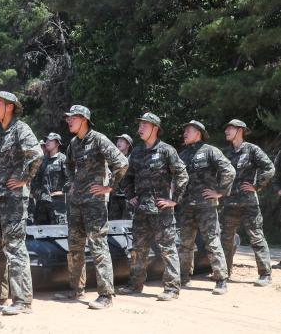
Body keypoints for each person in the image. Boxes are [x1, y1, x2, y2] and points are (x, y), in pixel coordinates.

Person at [0, 91, 42, 316]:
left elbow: (36, 154)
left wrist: (24, 178)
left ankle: (23, 301)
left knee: (14, 247)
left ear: (10, 107)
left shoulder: (21, 129)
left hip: (14, 200)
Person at [54, 105, 128, 310]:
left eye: (72, 118)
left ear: (84, 119)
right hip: (76, 202)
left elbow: (121, 163)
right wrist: (71, 183)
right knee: (75, 248)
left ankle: (106, 295)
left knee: (98, 247)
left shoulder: (99, 139)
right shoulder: (73, 143)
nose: (68, 121)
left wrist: (109, 187)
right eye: (68, 118)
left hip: (95, 203)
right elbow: (68, 165)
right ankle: (76, 289)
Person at [118, 113, 189, 300]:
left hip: (162, 211)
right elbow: (126, 177)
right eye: (140, 124)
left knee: (167, 249)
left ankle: (172, 288)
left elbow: (182, 175)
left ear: (155, 128)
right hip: (141, 211)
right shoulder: (137, 152)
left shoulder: (167, 151)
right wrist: (131, 195)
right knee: (138, 250)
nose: (140, 128)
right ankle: (135, 285)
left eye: (145, 125)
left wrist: (174, 200)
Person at [177, 120, 233, 294]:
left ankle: (221, 280)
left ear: (198, 133)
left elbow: (229, 171)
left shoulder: (210, 151)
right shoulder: (183, 154)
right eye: (184, 130)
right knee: (185, 243)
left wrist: (220, 192)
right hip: (186, 207)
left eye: (188, 130)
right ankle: (184, 277)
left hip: (206, 207)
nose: (184, 133)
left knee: (211, 241)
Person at [221, 119, 276, 286]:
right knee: (226, 239)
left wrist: (257, 186)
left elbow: (270, 168)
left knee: (256, 238)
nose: (226, 131)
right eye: (226, 128)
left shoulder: (252, 150)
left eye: (230, 128)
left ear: (240, 130)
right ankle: (224, 273)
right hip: (229, 204)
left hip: (248, 204)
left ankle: (265, 274)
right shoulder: (226, 152)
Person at [41, 132, 69, 225]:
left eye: (50, 140)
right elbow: (36, 179)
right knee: (41, 235)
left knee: (59, 234)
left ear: (57, 143)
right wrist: (36, 193)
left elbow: (71, 178)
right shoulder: (43, 160)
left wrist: (63, 191)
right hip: (42, 204)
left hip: (57, 205)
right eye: (46, 140)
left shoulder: (63, 159)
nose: (47, 142)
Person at [109, 134, 133, 220]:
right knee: (113, 226)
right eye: (118, 141)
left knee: (128, 226)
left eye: (122, 141)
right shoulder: (112, 160)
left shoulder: (132, 159)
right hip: (114, 197)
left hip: (128, 198)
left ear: (128, 145)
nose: (118, 143)